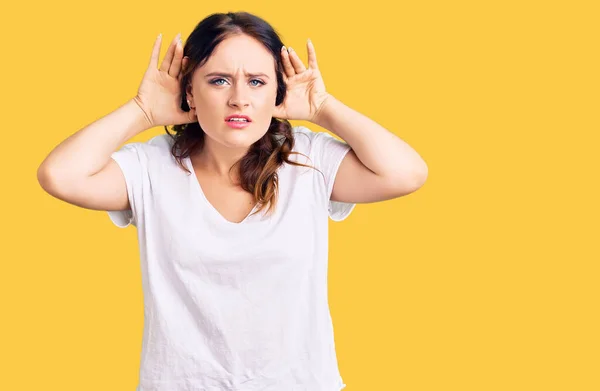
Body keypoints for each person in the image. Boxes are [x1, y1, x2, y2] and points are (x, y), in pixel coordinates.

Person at [37, 11, 428, 391]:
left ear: (278, 91)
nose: (239, 98)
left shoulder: (309, 160)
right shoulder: (151, 166)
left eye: (257, 81)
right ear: (190, 90)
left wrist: (324, 108)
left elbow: (406, 173)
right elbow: (60, 175)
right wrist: (141, 111)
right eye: (219, 80)